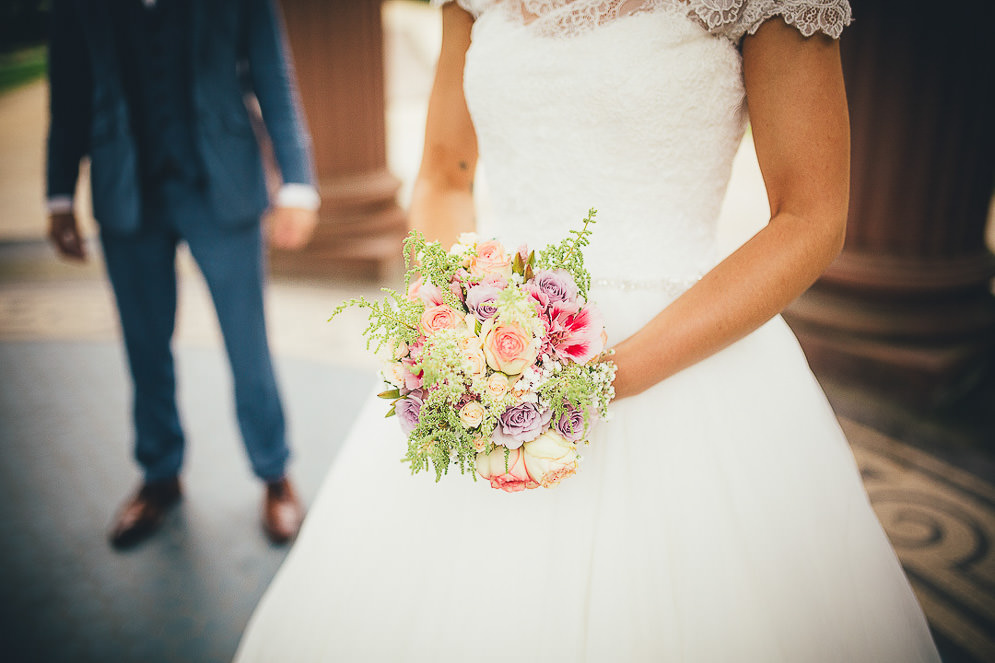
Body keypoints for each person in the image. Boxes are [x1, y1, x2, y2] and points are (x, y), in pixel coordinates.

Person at [235, 0, 942, 660]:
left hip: (683, 364)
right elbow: (445, 176)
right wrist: (464, 318)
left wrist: (601, 377)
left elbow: (810, 216)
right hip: (492, 345)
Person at [45, 0, 318, 549]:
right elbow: (69, 92)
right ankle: (159, 475)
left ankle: (274, 473)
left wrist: (297, 183)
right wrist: (57, 195)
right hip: (126, 191)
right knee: (143, 347)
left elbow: (273, 72)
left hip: (223, 186)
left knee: (248, 343)